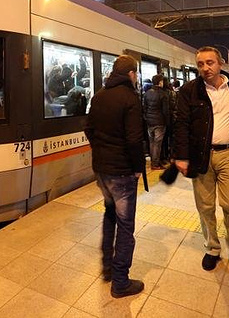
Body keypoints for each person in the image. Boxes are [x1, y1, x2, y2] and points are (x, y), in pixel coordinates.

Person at [173, 46, 229, 271]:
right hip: (201, 155)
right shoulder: (189, 90)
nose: (205, 68)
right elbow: (181, 124)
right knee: (205, 206)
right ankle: (212, 247)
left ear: (220, 64)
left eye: (210, 63)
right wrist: (181, 156)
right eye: (200, 64)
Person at [84, 54, 145, 298]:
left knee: (110, 215)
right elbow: (134, 140)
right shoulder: (130, 98)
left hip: (101, 170)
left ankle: (107, 267)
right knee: (126, 226)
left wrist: (101, 152)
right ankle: (120, 282)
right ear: (131, 74)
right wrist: (138, 167)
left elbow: (88, 129)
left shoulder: (99, 95)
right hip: (122, 171)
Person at [143, 74, 171, 169]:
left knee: (152, 142)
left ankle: (153, 161)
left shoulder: (147, 93)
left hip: (149, 122)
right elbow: (165, 111)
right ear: (160, 82)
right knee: (158, 144)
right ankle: (155, 163)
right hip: (160, 122)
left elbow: (145, 108)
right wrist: (167, 122)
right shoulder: (163, 94)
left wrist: (146, 118)